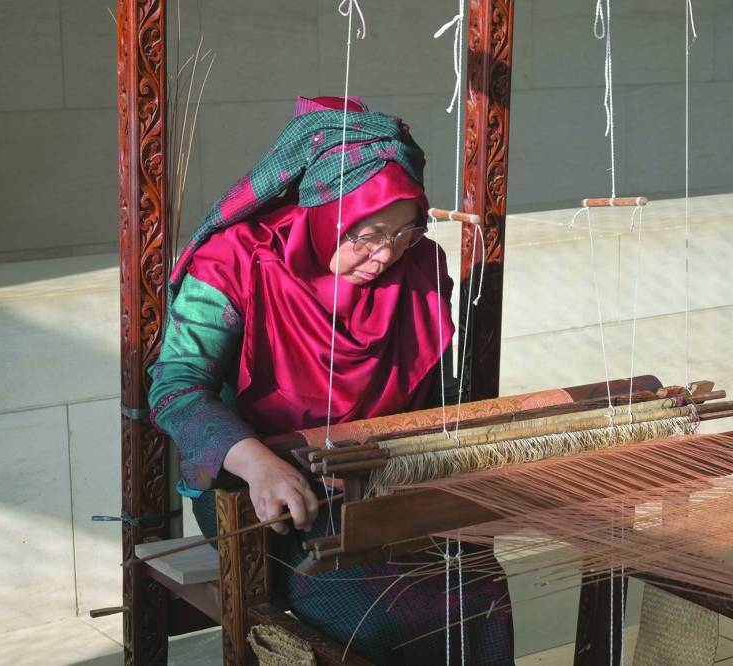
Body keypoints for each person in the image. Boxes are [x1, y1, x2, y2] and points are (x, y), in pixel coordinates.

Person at [148, 96, 514, 664]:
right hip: (262, 486)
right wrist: (258, 464)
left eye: (405, 233)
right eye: (367, 234)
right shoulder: (235, 260)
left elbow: (439, 394)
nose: (385, 255)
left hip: (379, 476)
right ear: (324, 212)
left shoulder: (418, 267)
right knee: (373, 614)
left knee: (478, 588)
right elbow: (176, 386)